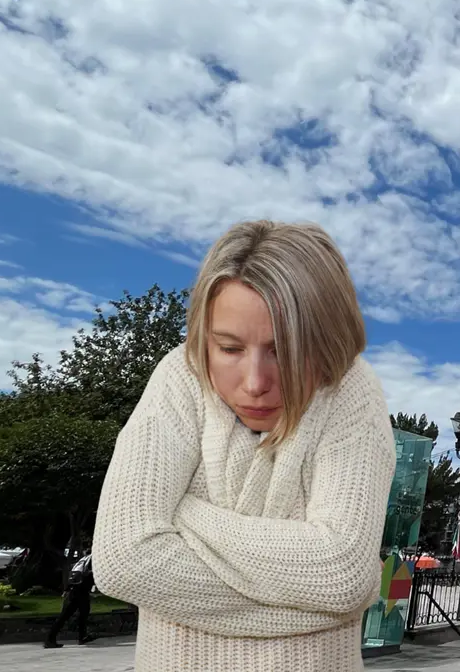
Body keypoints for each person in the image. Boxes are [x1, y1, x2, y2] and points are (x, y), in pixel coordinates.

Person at [94, 221, 397, 672]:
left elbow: (343, 573)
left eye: (284, 351)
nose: (255, 384)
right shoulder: (181, 374)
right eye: (230, 348)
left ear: (330, 344)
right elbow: (123, 560)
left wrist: (184, 515)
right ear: (204, 340)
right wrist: (319, 602)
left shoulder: (350, 389)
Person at [44, 552, 96, 648]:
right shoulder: (93, 559)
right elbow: (91, 574)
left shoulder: (84, 559)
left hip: (76, 590)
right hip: (79, 591)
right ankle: (50, 639)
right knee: (66, 616)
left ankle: (82, 636)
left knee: (82, 613)